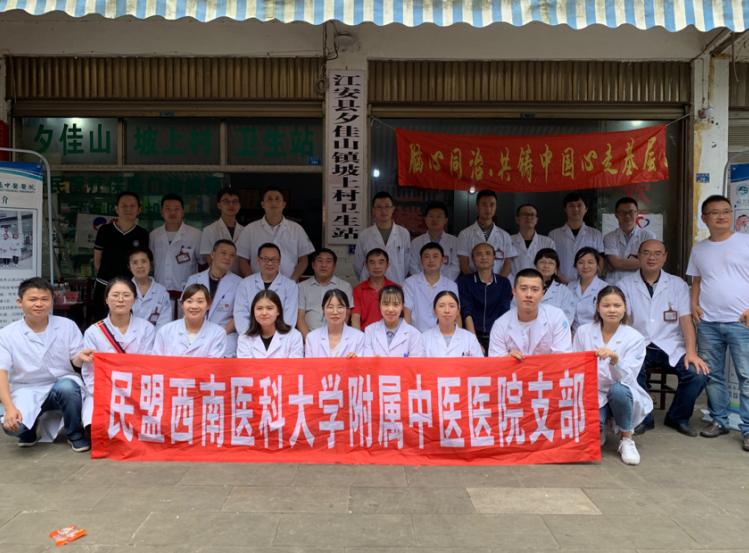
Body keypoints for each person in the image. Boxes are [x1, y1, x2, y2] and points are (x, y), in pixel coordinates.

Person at [618, 239, 709, 436]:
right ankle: (644, 418)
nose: (652, 257)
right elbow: (624, 321)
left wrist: (691, 353)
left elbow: (686, 321)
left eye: (657, 253)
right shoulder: (624, 285)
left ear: (665, 257)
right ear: (638, 256)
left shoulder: (677, 284)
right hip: (639, 344)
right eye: (646, 252)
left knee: (698, 374)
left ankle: (677, 417)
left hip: (670, 345)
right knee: (630, 370)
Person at [0, 277, 94, 451]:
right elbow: (2, 373)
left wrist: (80, 358)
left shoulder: (67, 326)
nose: (39, 304)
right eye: (33, 299)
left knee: (68, 387)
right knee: (13, 427)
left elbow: (75, 360)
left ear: (52, 301)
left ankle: (75, 434)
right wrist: (9, 408)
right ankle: (27, 432)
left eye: (45, 299)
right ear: (20, 302)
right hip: (27, 388)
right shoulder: (6, 334)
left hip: (61, 385)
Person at [687, 195, 749, 449]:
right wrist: (693, 304)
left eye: (726, 211)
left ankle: (748, 429)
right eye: (715, 212)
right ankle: (719, 420)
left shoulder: (745, 242)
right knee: (712, 375)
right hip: (708, 322)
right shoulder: (699, 248)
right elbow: (697, 280)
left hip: (741, 322)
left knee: (747, 376)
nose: (722, 216)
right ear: (704, 218)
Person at [573, 286, 653, 466]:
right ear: (597, 307)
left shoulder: (635, 338)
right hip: (593, 390)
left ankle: (626, 438)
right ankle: (600, 427)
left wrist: (615, 360)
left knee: (618, 391)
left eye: (617, 305)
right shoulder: (583, 332)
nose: (612, 310)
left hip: (620, 390)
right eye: (606, 305)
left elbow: (627, 378)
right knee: (594, 430)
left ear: (625, 308)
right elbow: (576, 365)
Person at [81, 277, 155, 426]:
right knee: (94, 425)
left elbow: (150, 366)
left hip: (138, 391)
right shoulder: (93, 332)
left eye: (126, 295)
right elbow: (89, 372)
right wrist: (105, 394)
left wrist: (134, 393)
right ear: (106, 300)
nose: (120, 300)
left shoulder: (147, 329)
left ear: (134, 300)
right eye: (115, 295)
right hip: (104, 391)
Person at [92, 191, 150, 321]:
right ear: (116, 208)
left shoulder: (142, 234)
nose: (128, 209)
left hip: (131, 288)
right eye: (124, 206)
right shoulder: (104, 230)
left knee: (130, 324)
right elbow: (97, 261)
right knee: (102, 324)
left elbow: (142, 262)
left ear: (139, 209)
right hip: (105, 285)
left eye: (132, 206)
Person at [488, 269, 572, 358]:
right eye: (523, 289)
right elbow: (495, 362)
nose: (529, 295)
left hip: (549, 367)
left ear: (542, 294)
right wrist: (506, 360)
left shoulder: (556, 317)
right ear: (514, 292)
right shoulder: (500, 325)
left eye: (535, 290)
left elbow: (563, 358)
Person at [236, 187, 314, 281]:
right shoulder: (249, 229)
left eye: (277, 199)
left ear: (284, 204)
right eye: (269, 199)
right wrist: (252, 282)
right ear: (263, 204)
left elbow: (303, 260)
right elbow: (243, 260)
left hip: (288, 284)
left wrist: (292, 281)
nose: (273, 202)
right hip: (257, 285)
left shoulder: (296, 229)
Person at [184, 239, 242, 357]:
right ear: (212, 254)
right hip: (195, 333)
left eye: (232, 255)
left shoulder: (240, 283)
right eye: (223, 253)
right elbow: (186, 309)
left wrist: (217, 334)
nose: (227, 258)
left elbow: (238, 316)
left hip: (225, 335)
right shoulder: (194, 279)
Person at [457, 242, 513, 352]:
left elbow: (504, 313)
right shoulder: (465, 282)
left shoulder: (504, 283)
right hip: (471, 335)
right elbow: (466, 312)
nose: (483, 257)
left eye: (488, 253)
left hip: (498, 336)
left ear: (494, 258)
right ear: (473, 259)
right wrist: (474, 341)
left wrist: (498, 340)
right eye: (478, 254)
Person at [234, 243, 298, 335]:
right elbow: (240, 314)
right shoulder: (245, 284)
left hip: (280, 337)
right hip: (250, 336)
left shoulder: (290, 286)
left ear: (279, 261)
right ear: (258, 260)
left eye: (274, 259)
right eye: (265, 259)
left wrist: (274, 338)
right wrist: (250, 335)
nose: (270, 263)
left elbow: (289, 318)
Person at [152, 284, 227, 357]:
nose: (194, 306)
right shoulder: (165, 331)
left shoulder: (217, 333)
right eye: (189, 301)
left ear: (208, 305)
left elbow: (214, 364)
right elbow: (156, 361)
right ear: (182, 304)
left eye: (200, 301)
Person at [354, 191, 411, 284]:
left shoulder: (403, 233)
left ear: (393, 209)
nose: (383, 211)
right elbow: (358, 265)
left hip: (395, 283)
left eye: (387, 207)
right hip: (370, 284)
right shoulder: (364, 235)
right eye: (379, 207)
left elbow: (406, 264)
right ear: (373, 210)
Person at [149, 193, 201, 294]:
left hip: (187, 293)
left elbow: (202, 263)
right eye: (168, 209)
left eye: (177, 209)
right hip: (159, 293)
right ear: (162, 212)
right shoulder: (154, 235)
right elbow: (151, 264)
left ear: (183, 212)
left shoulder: (196, 235)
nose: (172, 212)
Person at [457, 189, 516, 277]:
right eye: (484, 204)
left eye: (492, 204)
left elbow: (507, 263)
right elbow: (464, 264)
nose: (488, 209)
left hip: (498, 282)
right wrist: (474, 282)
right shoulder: (465, 234)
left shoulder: (505, 235)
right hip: (473, 282)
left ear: (496, 207)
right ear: (477, 206)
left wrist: (499, 282)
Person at [297, 248, 354, 339]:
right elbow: (300, 318)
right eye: (320, 261)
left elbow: (346, 315)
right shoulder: (302, 287)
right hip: (309, 337)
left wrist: (335, 339)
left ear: (334, 266)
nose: (324, 265)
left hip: (336, 337)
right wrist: (310, 340)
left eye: (328, 261)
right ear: (313, 265)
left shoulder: (345, 286)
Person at [549, 192, 604, 282]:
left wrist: (591, 279)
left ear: (586, 209)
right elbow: (550, 260)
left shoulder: (595, 234)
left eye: (579, 205)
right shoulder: (554, 235)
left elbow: (600, 259)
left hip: (589, 282)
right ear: (565, 209)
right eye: (571, 206)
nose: (575, 209)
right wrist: (562, 278)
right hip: (561, 282)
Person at [404, 242, 459, 332]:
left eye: (435, 256)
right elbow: (407, 313)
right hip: (417, 335)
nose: (431, 260)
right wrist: (408, 337)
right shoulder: (410, 283)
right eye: (427, 257)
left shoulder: (451, 285)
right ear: (421, 261)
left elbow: (456, 315)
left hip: (443, 335)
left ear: (442, 260)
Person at [237, 290, 304, 358]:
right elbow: (246, 364)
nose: (264, 313)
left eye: (269, 308)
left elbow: (295, 364)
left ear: (278, 311)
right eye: (259, 308)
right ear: (253, 312)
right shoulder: (244, 338)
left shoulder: (294, 336)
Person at [604, 197, 656, 283]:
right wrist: (640, 261)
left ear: (637, 213)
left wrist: (620, 263)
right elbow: (616, 263)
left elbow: (650, 262)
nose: (627, 216)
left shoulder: (648, 236)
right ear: (616, 215)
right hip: (615, 283)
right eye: (622, 212)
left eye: (631, 212)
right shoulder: (609, 237)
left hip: (640, 284)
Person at [363, 285, 424, 357]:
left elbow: (417, 362)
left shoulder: (414, 334)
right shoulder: (370, 331)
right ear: (379, 305)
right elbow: (367, 360)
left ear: (402, 306)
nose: (390, 309)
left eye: (396, 304)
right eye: (386, 304)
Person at [305, 289, 365, 358]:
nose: (335, 312)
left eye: (340, 307)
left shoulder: (359, 337)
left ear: (347, 310)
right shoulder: (312, 338)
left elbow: (364, 364)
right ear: (323, 310)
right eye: (330, 307)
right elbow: (308, 364)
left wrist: (356, 361)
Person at [422, 291, 483, 357]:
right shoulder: (424, 338)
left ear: (458, 311)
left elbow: (479, 363)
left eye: (452, 306)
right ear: (434, 311)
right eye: (441, 306)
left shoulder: (470, 339)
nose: (447, 310)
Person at [408, 201, 459, 280]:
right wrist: (425, 281)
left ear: (446, 220)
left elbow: (456, 267)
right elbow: (413, 265)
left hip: (447, 284)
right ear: (425, 219)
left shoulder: (455, 241)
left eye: (439, 216)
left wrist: (441, 282)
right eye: (431, 216)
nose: (434, 220)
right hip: (421, 284)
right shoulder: (416, 242)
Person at [199, 187, 244, 273]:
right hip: (218, 276)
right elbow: (209, 259)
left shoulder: (245, 231)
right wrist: (223, 277)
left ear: (239, 206)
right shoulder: (209, 230)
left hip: (240, 277)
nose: (231, 205)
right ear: (219, 205)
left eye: (235, 201)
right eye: (226, 201)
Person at [351, 248, 397, 330]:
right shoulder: (358, 290)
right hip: (365, 335)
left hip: (391, 334)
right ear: (366, 265)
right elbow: (355, 318)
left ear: (387, 265)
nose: (377, 266)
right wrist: (359, 337)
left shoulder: (396, 289)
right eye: (372, 262)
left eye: (381, 262)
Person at [129, 247, 173, 329]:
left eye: (144, 261)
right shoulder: (123, 290)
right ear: (129, 267)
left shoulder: (162, 292)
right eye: (135, 263)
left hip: (155, 337)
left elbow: (164, 325)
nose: (140, 266)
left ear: (151, 264)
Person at [568, 247, 608, 333]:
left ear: (597, 265)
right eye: (581, 262)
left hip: (597, 335)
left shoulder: (605, 289)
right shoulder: (570, 287)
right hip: (573, 335)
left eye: (590, 262)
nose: (585, 266)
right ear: (576, 266)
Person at [510, 203, 556, 277]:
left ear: (536, 220)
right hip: (514, 282)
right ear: (517, 219)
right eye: (525, 214)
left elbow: (551, 267)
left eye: (532, 215)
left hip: (540, 283)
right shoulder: (509, 240)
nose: (529, 217)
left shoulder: (548, 242)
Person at [533, 248, 576, 324]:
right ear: (535, 266)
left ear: (556, 269)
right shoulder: (525, 287)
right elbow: (516, 310)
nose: (546, 266)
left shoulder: (564, 291)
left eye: (551, 263)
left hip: (555, 331)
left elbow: (567, 318)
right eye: (542, 262)